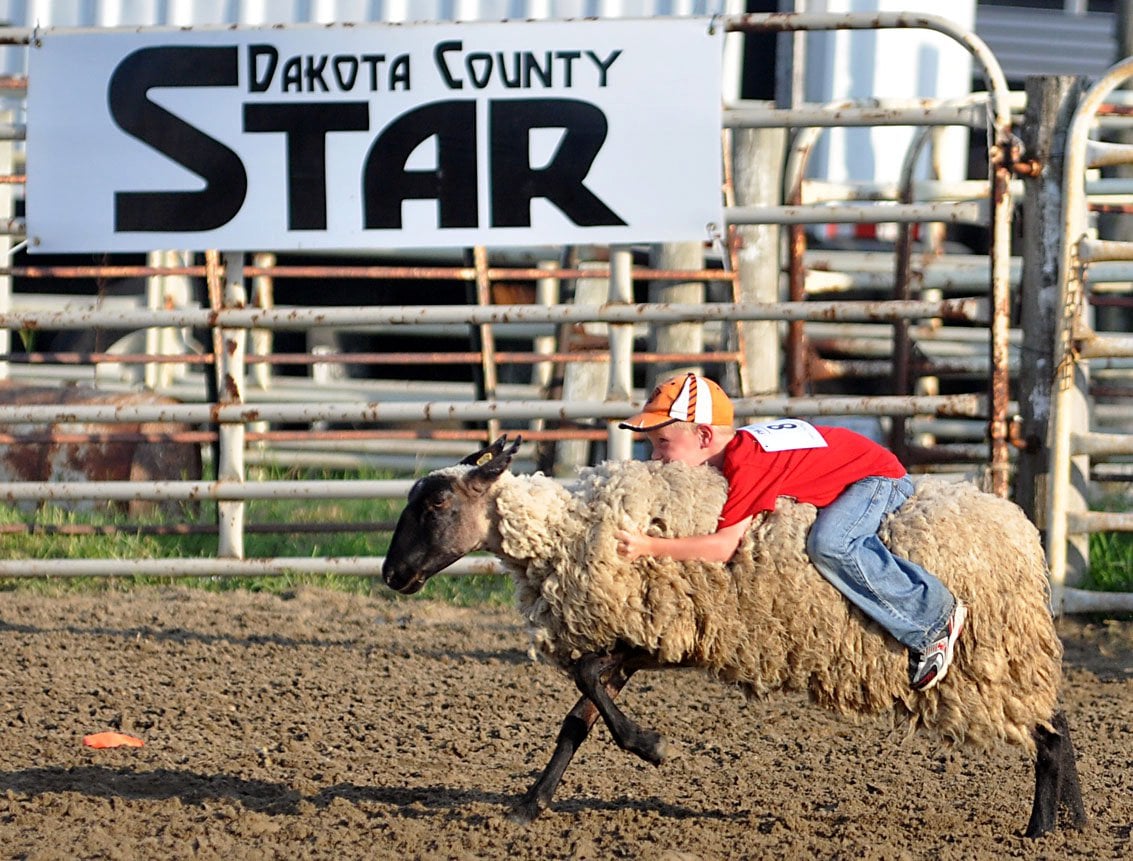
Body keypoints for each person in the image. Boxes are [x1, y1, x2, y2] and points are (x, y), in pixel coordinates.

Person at [614, 372, 967, 692]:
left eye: (662, 443)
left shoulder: (746, 463)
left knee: (831, 544)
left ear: (705, 435)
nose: (654, 456)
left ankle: (933, 619)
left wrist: (649, 546)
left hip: (877, 477)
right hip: (856, 469)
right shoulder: (740, 451)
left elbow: (725, 546)